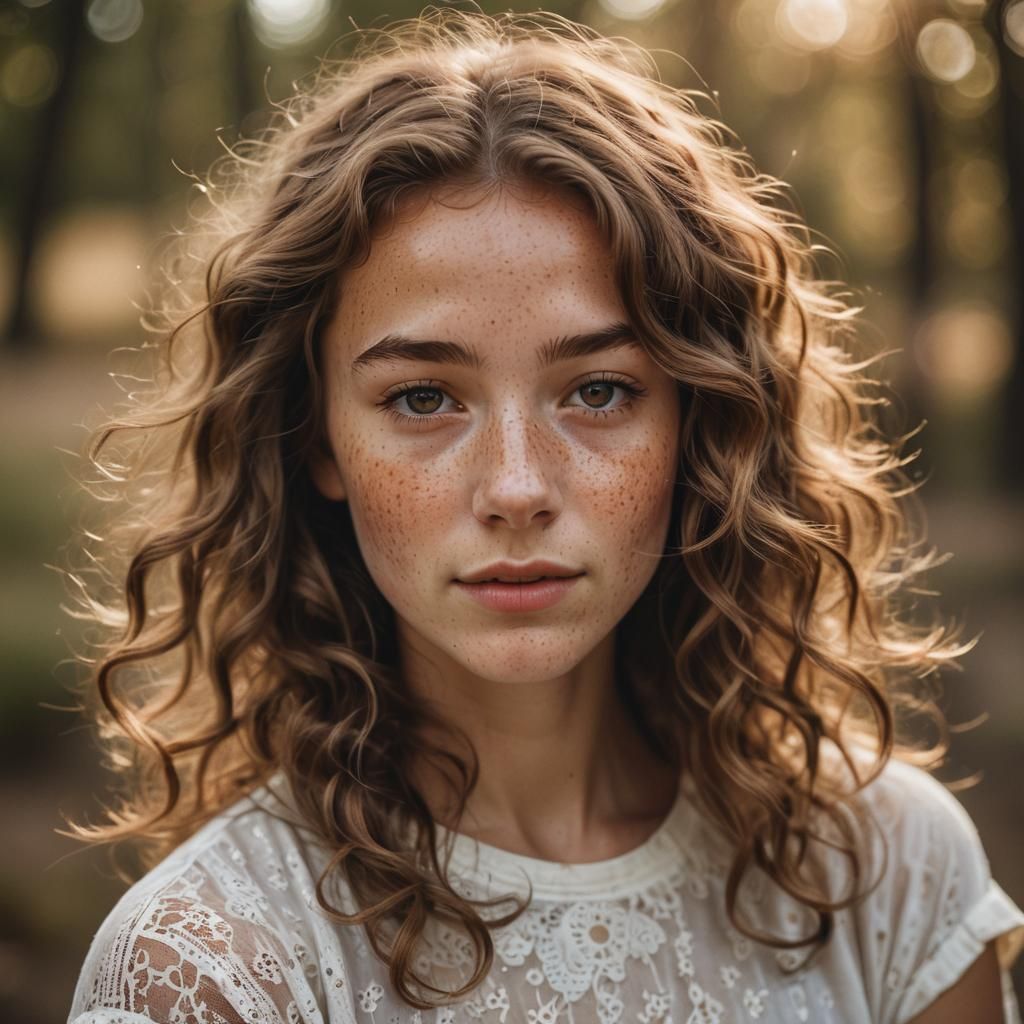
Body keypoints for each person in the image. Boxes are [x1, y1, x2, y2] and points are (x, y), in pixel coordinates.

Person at [61, 7, 1023, 1024]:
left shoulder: (886, 871)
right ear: (316, 438)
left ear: (699, 420)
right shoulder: (213, 966)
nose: (517, 488)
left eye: (598, 391)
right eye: (422, 398)